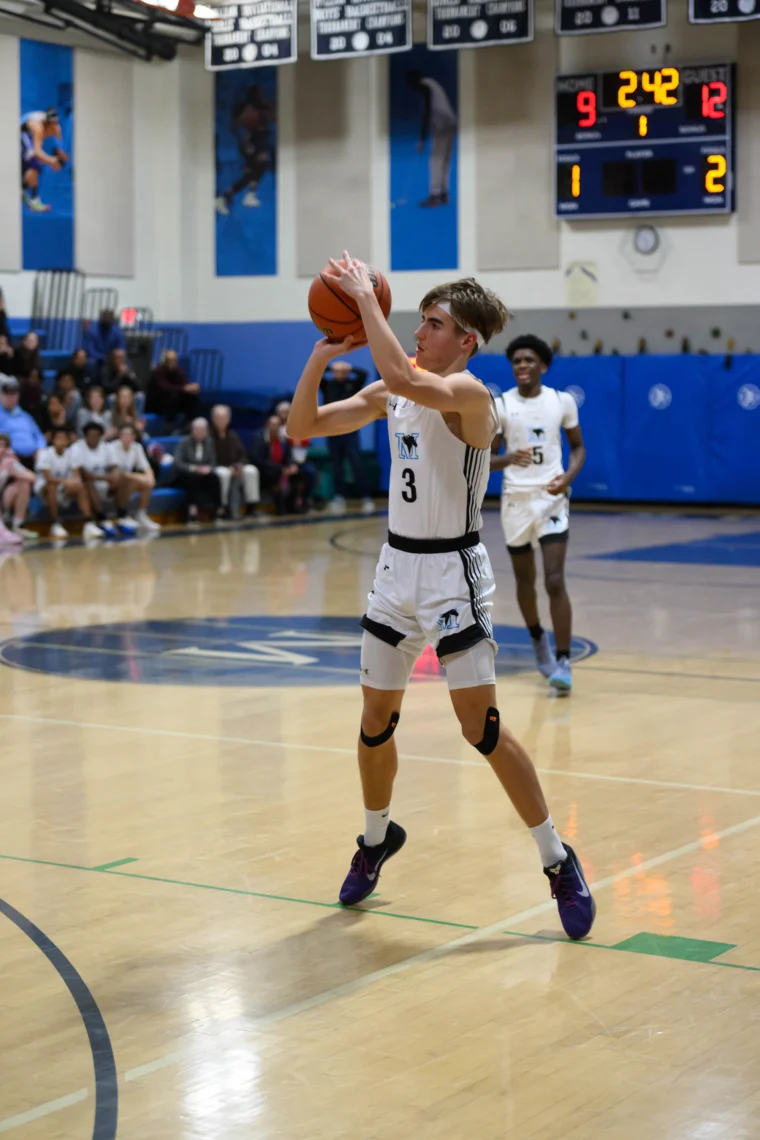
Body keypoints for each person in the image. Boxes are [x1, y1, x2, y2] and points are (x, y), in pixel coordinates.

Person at [286, 260, 595, 942]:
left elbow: (403, 376)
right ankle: (375, 840)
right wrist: (317, 355)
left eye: (434, 324)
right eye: (419, 322)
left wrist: (365, 301)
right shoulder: (397, 390)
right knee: (374, 722)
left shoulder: (469, 396)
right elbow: (301, 427)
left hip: (453, 572)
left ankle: (556, 858)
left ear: (466, 342)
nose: (420, 332)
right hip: (397, 568)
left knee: (479, 728)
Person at [491, 335, 586, 695]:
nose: (522, 366)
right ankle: (537, 639)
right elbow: (487, 459)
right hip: (515, 500)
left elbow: (578, 448)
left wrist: (567, 479)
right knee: (524, 582)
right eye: (516, 361)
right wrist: (508, 459)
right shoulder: (501, 406)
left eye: (529, 360)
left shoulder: (561, 401)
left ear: (543, 366)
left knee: (554, 580)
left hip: (551, 499)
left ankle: (563, 660)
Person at [320, 360, 374, 515]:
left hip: (351, 431)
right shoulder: (327, 386)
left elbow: (364, 374)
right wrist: (331, 367)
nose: (340, 373)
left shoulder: (353, 385)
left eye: (343, 372)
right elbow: (317, 373)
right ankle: (339, 497)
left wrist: (349, 367)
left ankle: (366, 497)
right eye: (338, 371)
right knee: (337, 465)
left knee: (356, 462)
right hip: (332, 431)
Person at [215, 83, 275, 215]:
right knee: (259, 166)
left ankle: (228, 197)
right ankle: (245, 195)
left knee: (251, 173)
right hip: (253, 142)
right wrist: (246, 140)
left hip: (256, 140)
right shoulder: (249, 110)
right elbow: (237, 125)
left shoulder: (262, 108)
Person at [406, 70, 457, 209]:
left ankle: (434, 196)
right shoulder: (432, 83)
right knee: (445, 160)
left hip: (441, 124)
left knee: (436, 160)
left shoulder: (425, 87)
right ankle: (444, 195)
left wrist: (422, 139)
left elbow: (428, 112)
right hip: (451, 121)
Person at [35, 426, 92, 540]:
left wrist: (73, 483)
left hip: (64, 486)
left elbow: (76, 477)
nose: (60, 441)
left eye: (63, 438)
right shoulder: (45, 454)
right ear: (53, 440)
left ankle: (88, 523)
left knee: (81, 486)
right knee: (51, 487)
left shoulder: (71, 454)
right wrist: (66, 481)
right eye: (58, 438)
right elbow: (49, 478)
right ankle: (56, 524)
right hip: (44, 488)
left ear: (68, 441)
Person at [251, 415, 309, 515]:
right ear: (267, 425)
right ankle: (281, 509)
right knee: (275, 476)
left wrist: (292, 466)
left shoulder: (283, 440)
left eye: (277, 425)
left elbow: (289, 456)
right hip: (266, 472)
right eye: (272, 425)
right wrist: (280, 469)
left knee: (301, 475)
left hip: (283, 470)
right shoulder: (260, 439)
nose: (274, 427)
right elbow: (258, 460)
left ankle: (297, 505)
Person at [107, 424, 160, 535]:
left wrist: (150, 478)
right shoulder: (112, 447)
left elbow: (146, 467)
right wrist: (139, 477)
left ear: (134, 437)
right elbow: (117, 473)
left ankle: (141, 514)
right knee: (128, 480)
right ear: (120, 437)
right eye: (124, 435)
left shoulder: (137, 447)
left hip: (129, 481)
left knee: (147, 483)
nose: (127, 437)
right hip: (112, 483)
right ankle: (123, 515)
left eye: (130, 435)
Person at [69, 421, 119, 537]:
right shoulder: (76, 447)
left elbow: (114, 467)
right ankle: (100, 518)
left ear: (100, 436)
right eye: (90, 436)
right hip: (85, 484)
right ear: (85, 436)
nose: (93, 438)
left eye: (96, 436)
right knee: (87, 482)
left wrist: (114, 477)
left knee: (122, 478)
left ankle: (123, 516)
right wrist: (106, 478)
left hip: (104, 483)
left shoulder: (107, 447)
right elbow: (85, 474)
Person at [210, 404, 259, 518]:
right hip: (218, 467)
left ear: (228, 419)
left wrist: (240, 466)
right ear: (213, 419)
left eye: (224, 418)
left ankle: (251, 506)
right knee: (223, 474)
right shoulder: (209, 437)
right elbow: (209, 458)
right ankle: (222, 507)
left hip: (234, 467)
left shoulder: (233, 435)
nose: (221, 421)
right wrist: (228, 468)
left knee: (251, 470)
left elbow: (242, 455)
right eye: (218, 418)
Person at [174, 417, 222, 525]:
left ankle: (218, 509)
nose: (200, 433)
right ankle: (192, 510)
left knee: (215, 478)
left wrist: (208, 469)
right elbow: (178, 462)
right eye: (197, 430)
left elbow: (213, 462)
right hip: (187, 475)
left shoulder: (209, 442)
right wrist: (193, 468)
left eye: (202, 430)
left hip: (203, 474)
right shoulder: (184, 442)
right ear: (192, 430)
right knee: (193, 478)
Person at [20, 107, 68, 213]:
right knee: (34, 162)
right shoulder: (38, 128)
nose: (54, 127)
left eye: (56, 124)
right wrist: (51, 160)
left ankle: (22, 190)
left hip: (28, 135)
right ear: (46, 124)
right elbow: (37, 152)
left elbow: (61, 153)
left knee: (37, 165)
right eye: (52, 125)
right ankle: (34, 200)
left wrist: (60, 160)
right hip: (21, 132)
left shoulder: (57, 128)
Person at [0, 374, 46, 470]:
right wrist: (5, 450)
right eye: (7, 394)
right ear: (1, 395)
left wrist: (40, 449)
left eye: (13, 394)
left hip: (32, 458)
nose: (10, 398)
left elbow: (38, 436)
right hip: (8, 457)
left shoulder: (25, 416)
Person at [146, 350, 200, 430]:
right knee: (172, 395)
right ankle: (169, 425)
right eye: (169, 360)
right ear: (164, 361)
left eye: (174, 360)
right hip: (158, 403)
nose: (172, 363)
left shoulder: (179, 371)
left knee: (192, 396)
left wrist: (191, 388)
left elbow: (184, 384)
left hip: (175, 402)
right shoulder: (158, 371)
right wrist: (184, 388)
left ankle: (189, 424)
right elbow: (164, 387)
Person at [0, 432, 37, 542]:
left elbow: (32, 477)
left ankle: (17, 525)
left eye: (4, 446)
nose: (1, 449)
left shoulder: (10, 461)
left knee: (23, 483)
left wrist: (16, 473)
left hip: (3, 500)